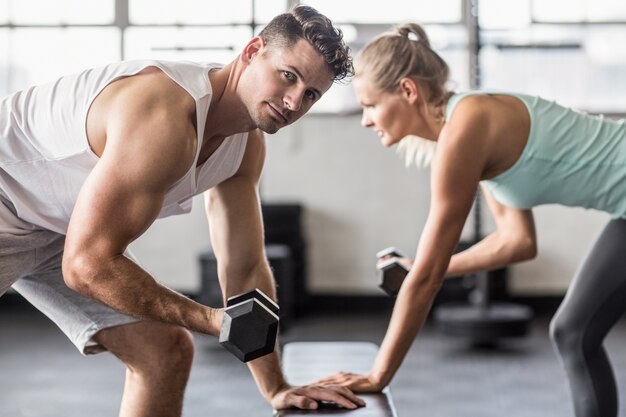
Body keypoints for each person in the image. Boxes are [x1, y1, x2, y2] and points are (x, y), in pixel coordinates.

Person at [0, 5, 367, 416]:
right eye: (289, 76)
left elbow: (244, 269)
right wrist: (214, 321)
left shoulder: (244, 146)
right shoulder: (164, 117)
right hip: (6, 198)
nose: (294, 101)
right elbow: (87, 265)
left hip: (55, 223)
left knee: (164, 353)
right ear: (252, 51)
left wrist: (275, 387)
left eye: (311, 94)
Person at [315, 22, 626, 417]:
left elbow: (427, 280)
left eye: (370, 105)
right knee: (574, 333)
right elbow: (516, 241)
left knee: (574, 333)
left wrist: (379, 375)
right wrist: (415, 268)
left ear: (407, 91)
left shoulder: (467, 127)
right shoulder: (465, 127)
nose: (366, 120)